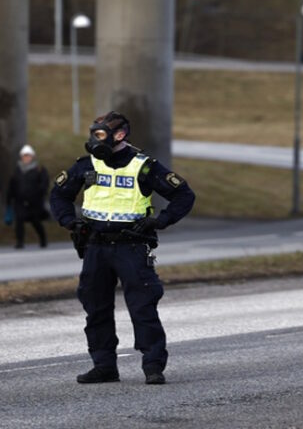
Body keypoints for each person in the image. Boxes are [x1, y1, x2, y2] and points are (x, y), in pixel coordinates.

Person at [50, 111, 195, 385]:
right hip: (95, 246)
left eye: (101, 135)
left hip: (132, 246)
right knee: (96, 309)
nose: (96, 140)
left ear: (119, 135)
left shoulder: (145, 167)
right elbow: (58, 193)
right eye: (93, 134)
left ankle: (153, 366)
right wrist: (70, 222)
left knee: (143, 308)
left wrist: (160, 221)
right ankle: (104, 366)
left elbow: (183, 195)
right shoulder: (86, 165)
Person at [6, 144, 49, 249]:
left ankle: (43, 239)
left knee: (35, 221)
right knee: (19, 220)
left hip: (34, 202)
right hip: (19, 201)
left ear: (32, 156)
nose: (26, 158)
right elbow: (12, 185)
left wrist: (39, 194)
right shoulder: (17, 170)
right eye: (24, 156)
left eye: (28, 155)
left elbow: (44, 184)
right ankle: (20, 242)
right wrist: (9, 199)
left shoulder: (39, 169)